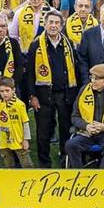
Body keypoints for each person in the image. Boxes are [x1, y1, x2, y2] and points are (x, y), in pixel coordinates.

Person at [20, 10, 78, 166]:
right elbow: (30, 74)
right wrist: (32, 96)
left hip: (65, 95)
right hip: (43, 96)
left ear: (61, 25)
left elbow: (75, 69)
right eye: (50, 22)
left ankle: (65, 160)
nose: (53, 26)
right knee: (43, 132)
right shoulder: (35, 45)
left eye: (57, 23)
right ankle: (44, 163)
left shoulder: (69, 44)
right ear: (44, 24)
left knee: (66, 129)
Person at [66, 63, 104, 168]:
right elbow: (74, 117)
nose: (92, 81)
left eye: (96, 78)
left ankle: (102, 176)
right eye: (92, 78)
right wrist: (86, 126)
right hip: (87, 134)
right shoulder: (83, 91)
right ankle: (78, 175)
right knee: (70, 144)